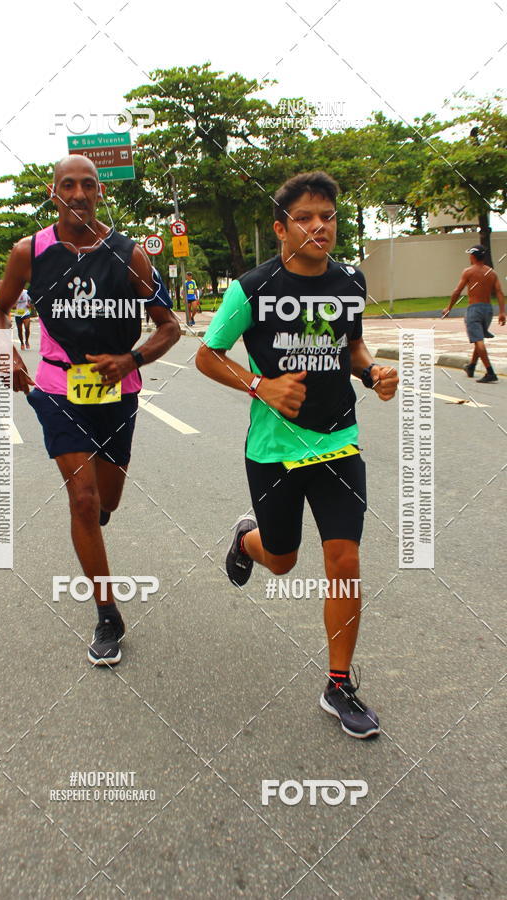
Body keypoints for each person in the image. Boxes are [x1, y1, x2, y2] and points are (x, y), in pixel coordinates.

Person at [196, 171, 399, 740]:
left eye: (328, 216)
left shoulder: (348, 282)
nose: (319, 226)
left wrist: (372, 372)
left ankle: (338, 684)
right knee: (282, 559)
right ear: (281, 228)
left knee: (345, 561)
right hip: (274, 449)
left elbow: (351, 344)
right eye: (305, 218)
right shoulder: (252, 288)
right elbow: (209, 356)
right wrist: (262, 386)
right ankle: (247, 539)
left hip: (338, 443)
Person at [0, 154, 180, 666]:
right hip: (56, 387)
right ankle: (107, 613)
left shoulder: (129, 256)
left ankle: (98, 520)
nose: (78, 193)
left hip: (118, 392)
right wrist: (6, 352)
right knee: (81, 498)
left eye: (88, 185)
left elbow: (169, 327)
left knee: (104, 501)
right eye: (67, 185)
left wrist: (130, 359)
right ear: (53, 193)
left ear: (100, 193)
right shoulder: (29, 252)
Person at [443, 244, 506, 383]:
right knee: (479, 338)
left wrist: (449, 307)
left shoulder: (468, 272)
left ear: (472, 256)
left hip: (474, 309)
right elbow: (500, 292)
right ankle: (471, 366)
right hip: (488, 310)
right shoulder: (491, 273)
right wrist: (502, 312)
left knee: (478, 340)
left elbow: (457, 291)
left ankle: (490, 372)